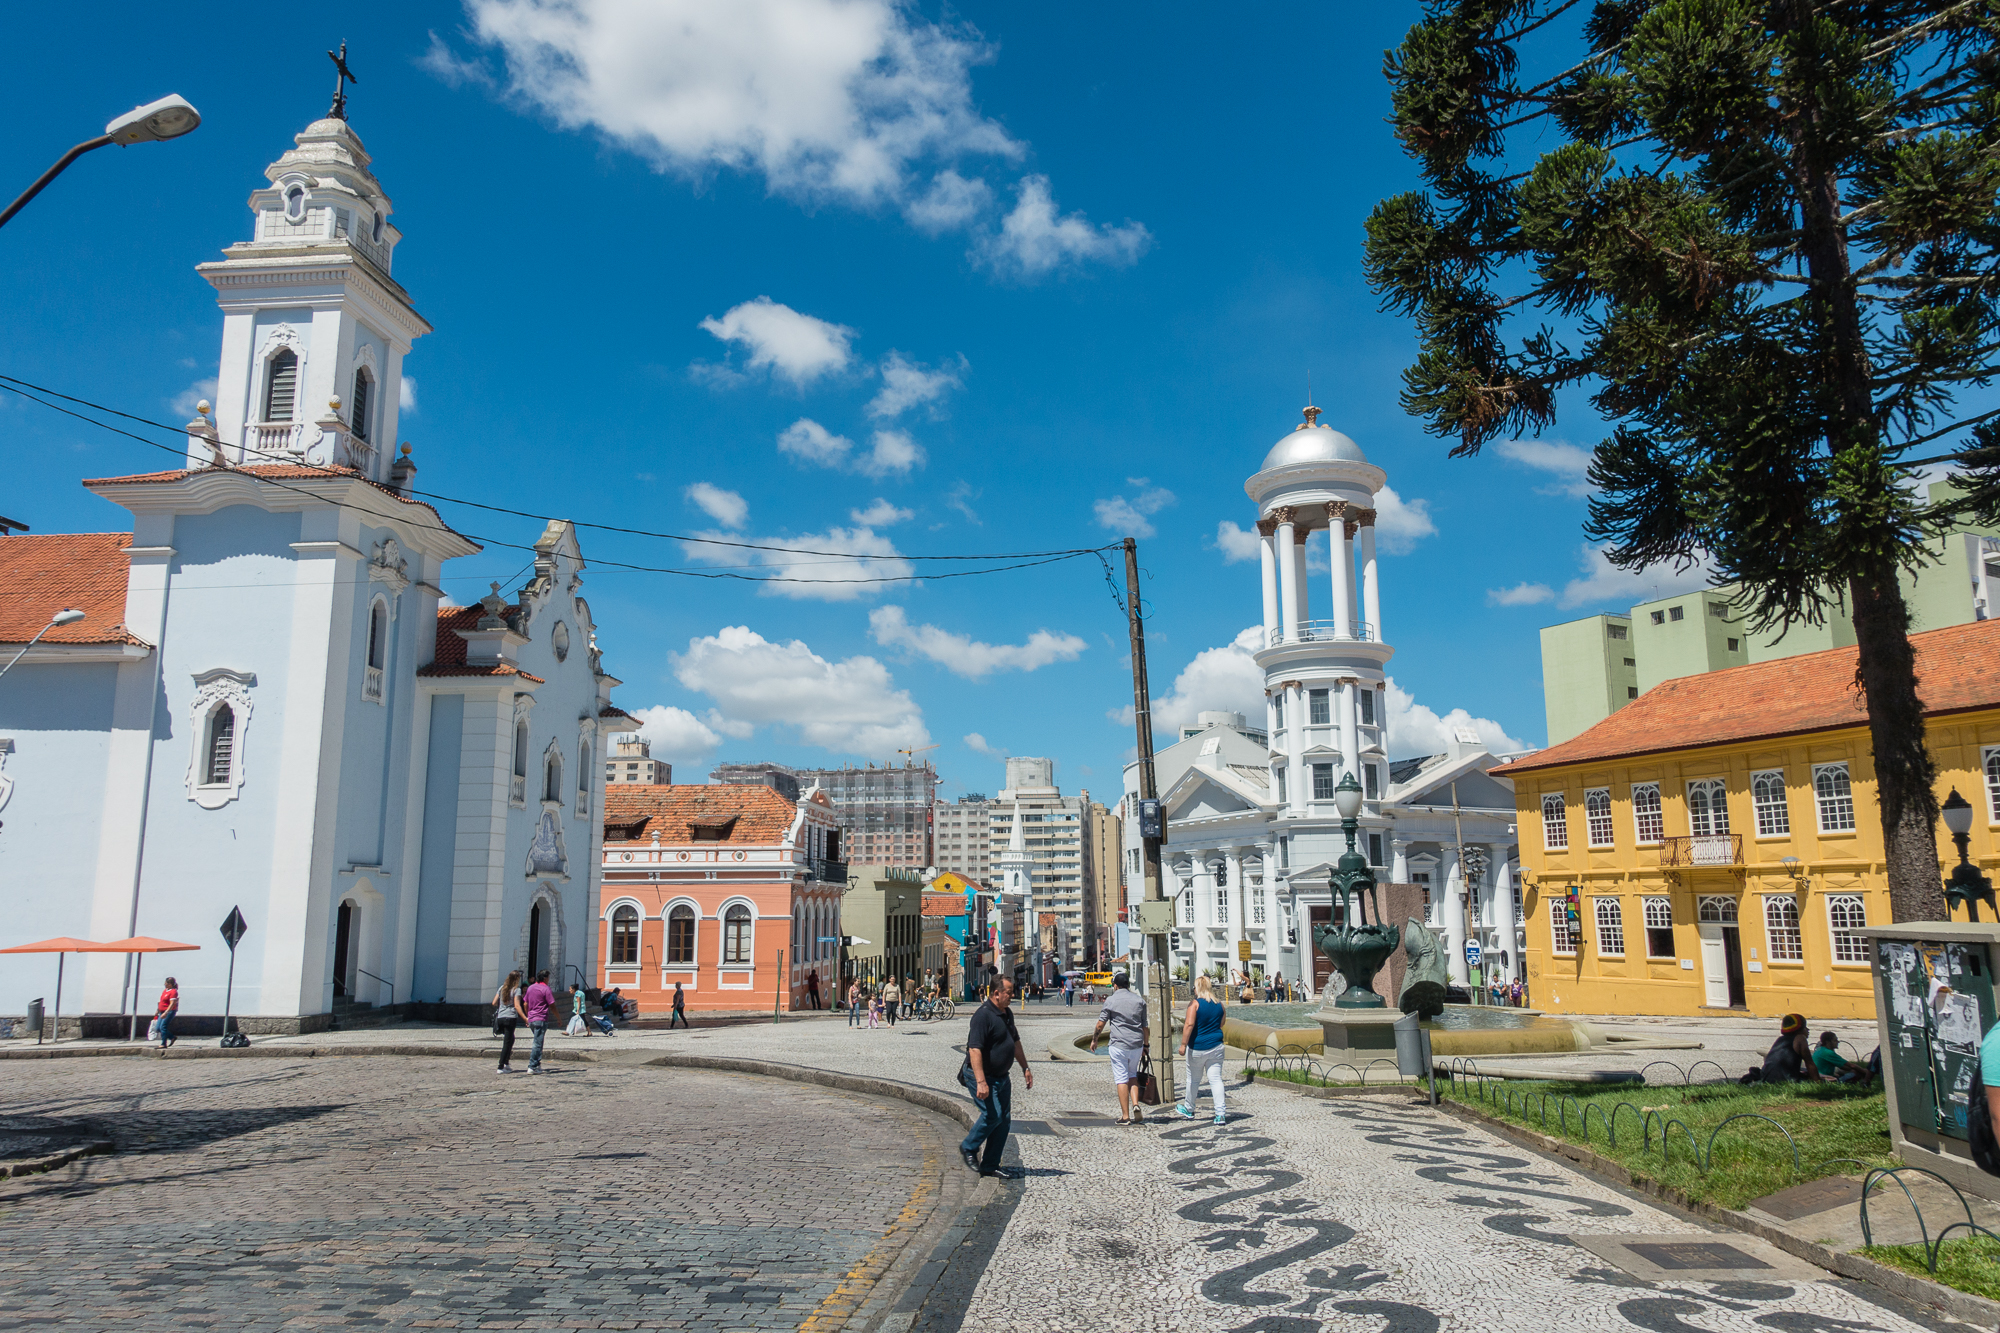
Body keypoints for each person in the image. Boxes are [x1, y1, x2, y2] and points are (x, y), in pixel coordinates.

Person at [961, 976, 1033, 1175]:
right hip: (984, 1077)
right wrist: (981, 1081)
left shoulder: (1006, 1013)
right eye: (1009, 992)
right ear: (996, 993)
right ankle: (969, 1146)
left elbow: (1015, 1042)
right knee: (993, 1115)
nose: (1012, 996)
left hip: (1002, 1077)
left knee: (1004, 1120)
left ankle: (990, 1165)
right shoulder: (982, 1016)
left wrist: (1025, 1068)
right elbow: (975, 1050)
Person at [1091, 972, 1149, 1124]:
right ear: (1128, 985)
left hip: (1118, 1045)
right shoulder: (1139, 1001)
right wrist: (1146, 1046)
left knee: (1121, 1079)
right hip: (1136, 1045)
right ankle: (1136, 1104)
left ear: (1115, 985)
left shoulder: (1111, 1000)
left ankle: (1125, 1116)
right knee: (1132, 1075)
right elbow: (1145, 1027)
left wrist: (1095, 1040)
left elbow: (1100, 1024)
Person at [1175, 975, 1229, 1125]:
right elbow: (1222, 1023)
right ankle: (1220, 1114)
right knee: (1216, 1080)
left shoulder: (1195, 1004)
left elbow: (1189, 1025)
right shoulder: (1220, 1005)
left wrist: (1183, 1044)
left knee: (1193, 1079)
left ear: (1197, 988)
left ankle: (1189, 1109)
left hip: (1198, 1048)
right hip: (1217, 1046)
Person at [1746, 1013, 1812, 1083]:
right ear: (1800, 1029)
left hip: (1766, 1079)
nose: (1808, 1030)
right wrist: (1818, 1081)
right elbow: (1810, 1064)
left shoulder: (1780, 1040)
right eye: (1806, 1028)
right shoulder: (1800, 1038)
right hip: (1785, 1080)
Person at [523, 969, 556, 1074]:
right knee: (537, 1043)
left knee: (538, 1042)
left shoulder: (530, 988)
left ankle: (537, 1064)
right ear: (545, 978)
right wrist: (558, 1017)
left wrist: (527, 1016)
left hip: (532, 1018)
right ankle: (532, 1066)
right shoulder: (545, 989)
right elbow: (552, 1004)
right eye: (548, 978)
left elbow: (525, 1003)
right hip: (541, 1018)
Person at [493, 970, 526, 1073]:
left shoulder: (501, 988)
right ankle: (501, 1066)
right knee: (507, 1042)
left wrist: (502, 1006)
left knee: (511, 1039)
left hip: (501, 1017)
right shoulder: (516, 990)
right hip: (510, 1017)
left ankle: (506, 1063)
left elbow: (494, 1002)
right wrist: (525, 1018)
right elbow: (517, 1005)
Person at [155, 977, 180, 1049]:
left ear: (170, 984)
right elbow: (162, 1001)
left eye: (166, 983)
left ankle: (163, 1043)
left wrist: (166, 1012)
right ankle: (172, 1037)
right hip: (162, 1011)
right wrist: (158, 1010)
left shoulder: (173, 992)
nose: (164, 984)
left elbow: (172, 1004)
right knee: (158, 1028)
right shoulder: (165, 991)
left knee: (163, 1026)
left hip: (169, 1011)